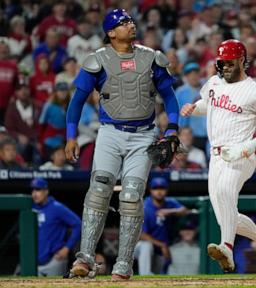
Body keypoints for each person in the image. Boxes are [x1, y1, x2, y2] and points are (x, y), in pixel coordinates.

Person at [65, 9, 180, 280]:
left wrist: (173, 128)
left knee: (131, 195)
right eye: (122, 23)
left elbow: (169, 97)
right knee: (99, 188)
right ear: (111, 32)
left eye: (130, 21)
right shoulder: (98, 59)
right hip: (110, 133)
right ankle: (85, 258)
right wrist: (70, 136)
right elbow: (76, 101)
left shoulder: (151, 57)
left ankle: (124, 264)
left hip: (144, 134)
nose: (130, 25)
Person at [181, 39, 256, 273]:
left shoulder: (255, 91)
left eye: (229, 62)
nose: (224, 66)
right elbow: (210, 104)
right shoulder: (214, 82)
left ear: (241, 61)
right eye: (221, 62)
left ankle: (227, 247)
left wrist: (250, 146)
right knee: (227, 218)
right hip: (215, 157)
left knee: (226, 191)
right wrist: (194, 108)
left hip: (240, 153)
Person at [135, 177, 188, 275]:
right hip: (141, 249)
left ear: (166, 190)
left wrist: (169, 211)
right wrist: (162, 245)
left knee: (158, 277)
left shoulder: (170, 203)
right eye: (155, 188)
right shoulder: (145, 206)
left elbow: (184, 210)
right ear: (151, 190)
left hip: (161, 250)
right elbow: (141, 235)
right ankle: (144, 275)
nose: (159, 191)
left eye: (162, 188)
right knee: (146, 246)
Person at [30, 178, 81, 276]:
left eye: (38, 190)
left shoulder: (57, 208)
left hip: (54, 260)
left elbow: (78, 224)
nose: (34, 193)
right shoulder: (31, 208)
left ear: (46, 191)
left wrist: (67, 248)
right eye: (33, 190)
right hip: (33, 261)